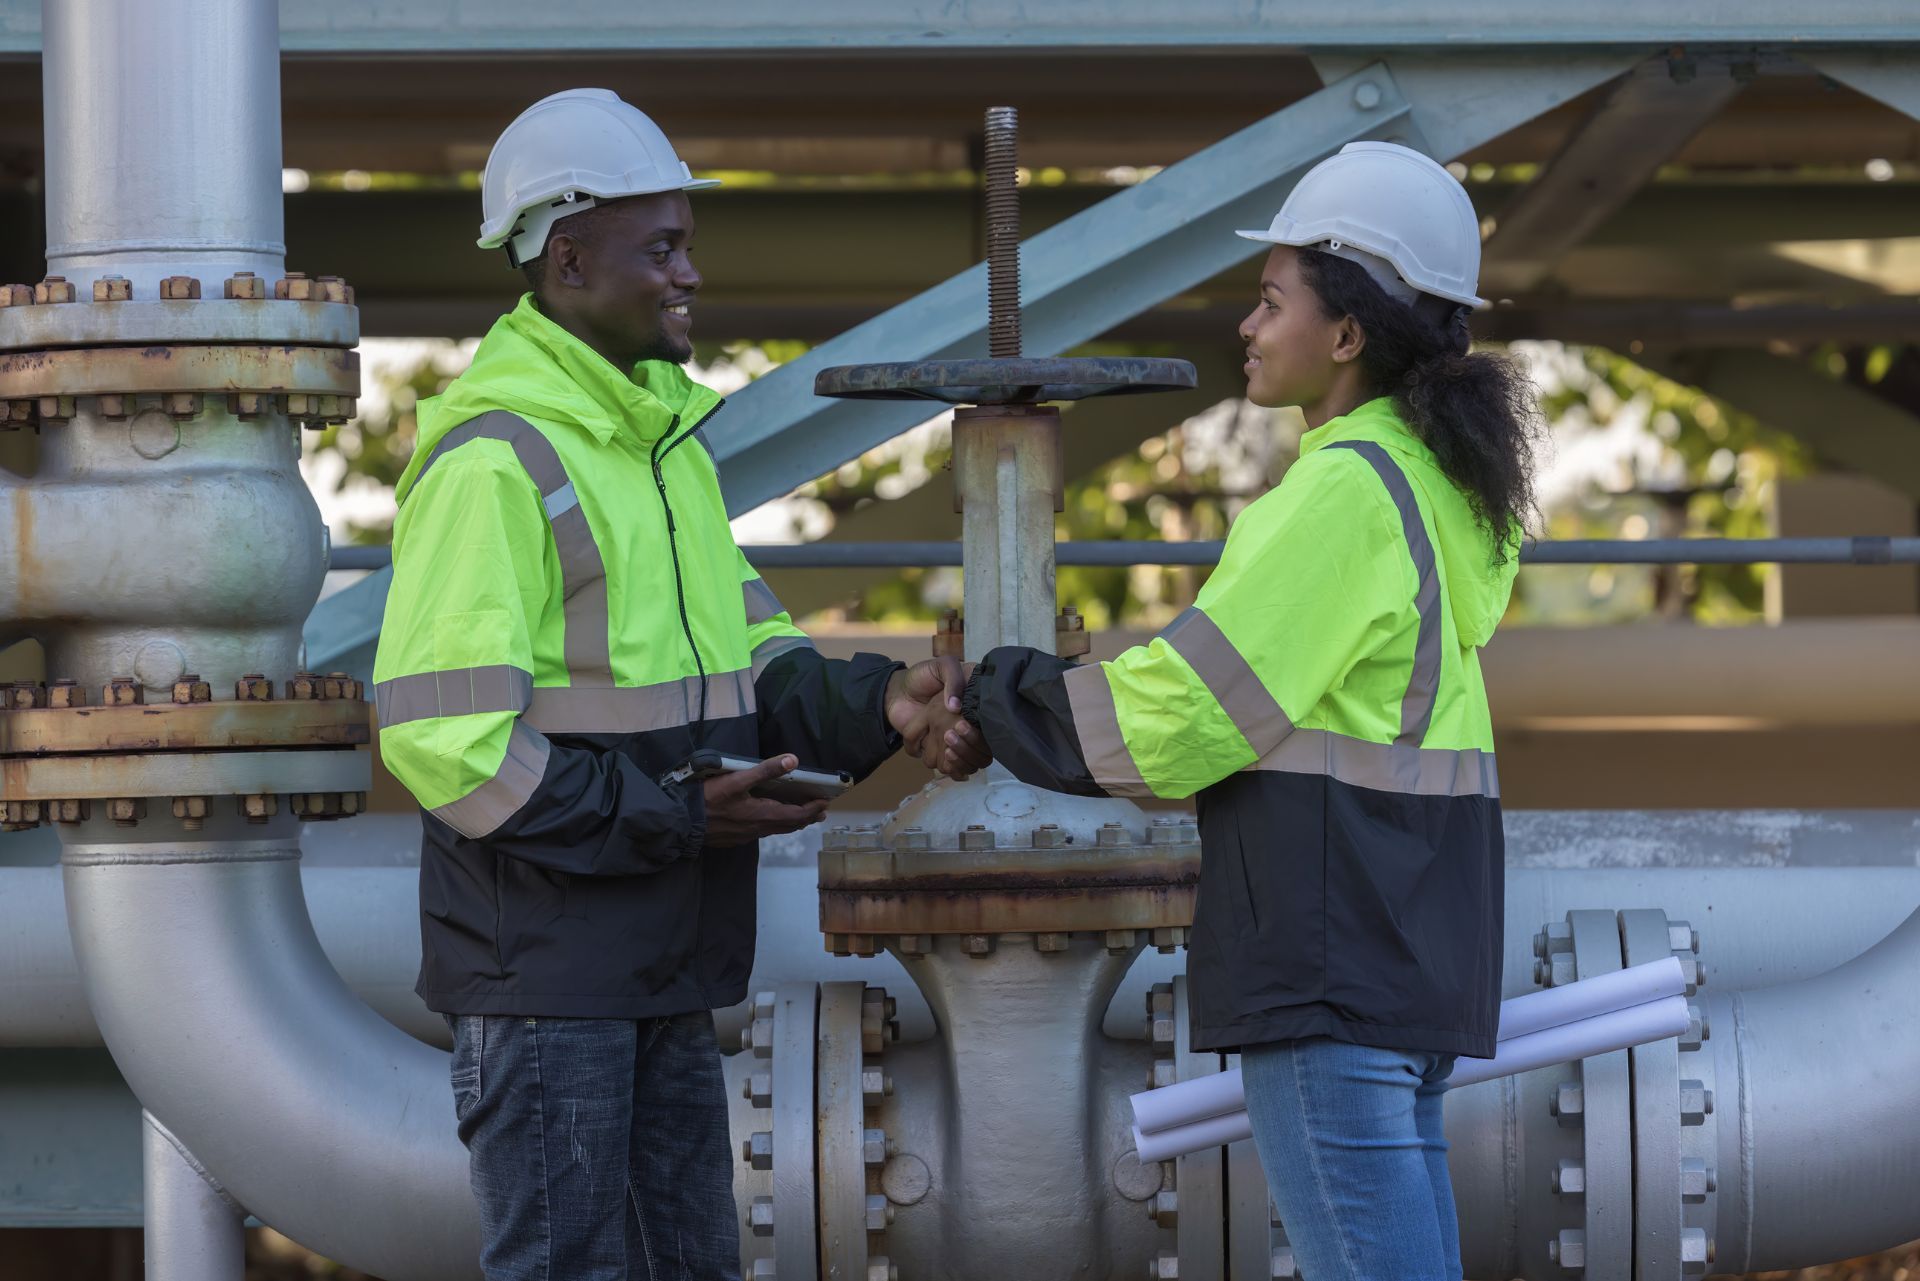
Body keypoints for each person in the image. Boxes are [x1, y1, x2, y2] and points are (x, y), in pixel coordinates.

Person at [372, 89, 969, 1281]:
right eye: (664, 247)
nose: (690, 273)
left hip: (658, 955)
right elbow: (444, 743)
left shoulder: (661, 456)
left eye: (687, 241)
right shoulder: (499, 462)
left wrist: (884, 707)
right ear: (569, 256)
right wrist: (672, 818)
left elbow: (750, 666)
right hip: (548, 980)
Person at [942, 141, 1540, 1281]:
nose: (1249, 329)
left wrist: (999, 690)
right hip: (1409, 964)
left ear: (1349, 334)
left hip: (1330, 968)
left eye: (1271, 302)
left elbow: (1182, 721)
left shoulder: (1342, 493)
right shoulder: (1435, 490)